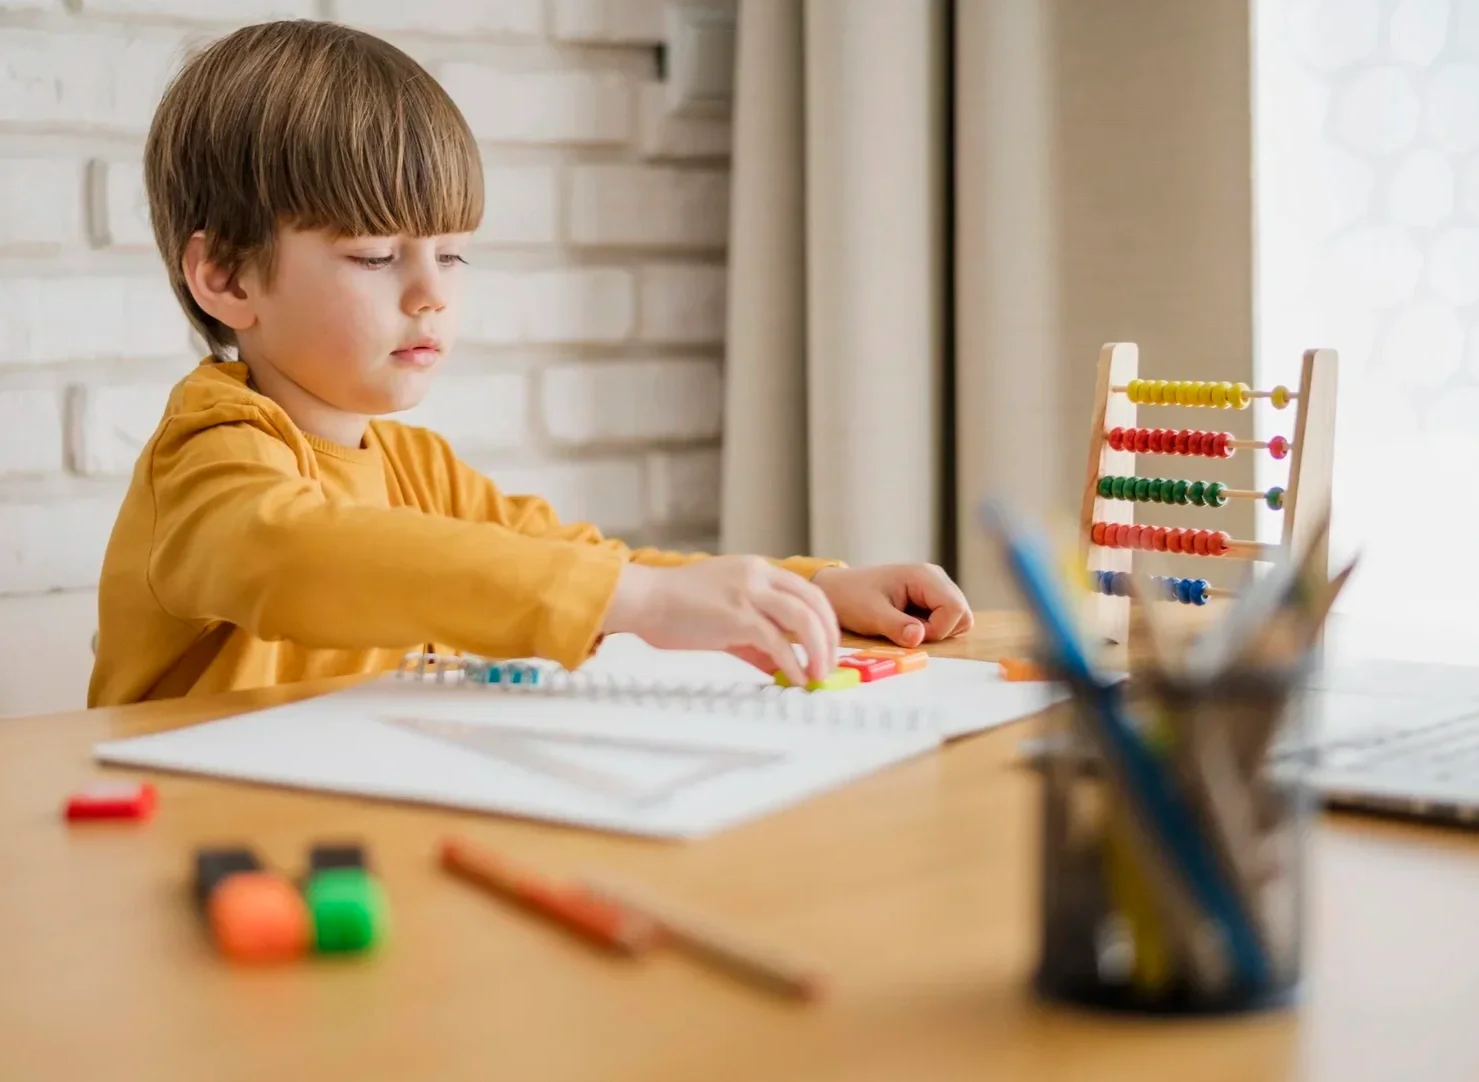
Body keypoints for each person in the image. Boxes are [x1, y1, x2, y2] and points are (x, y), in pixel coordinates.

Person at [87, 19, 972, 708]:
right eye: (373, 256)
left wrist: (811, 586)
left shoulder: (413, 470)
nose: (432, 293)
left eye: (453, 254)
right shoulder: (207, 457)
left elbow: (580, 559)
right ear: (226, 275)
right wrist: (633, 604)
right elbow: (296, 553)